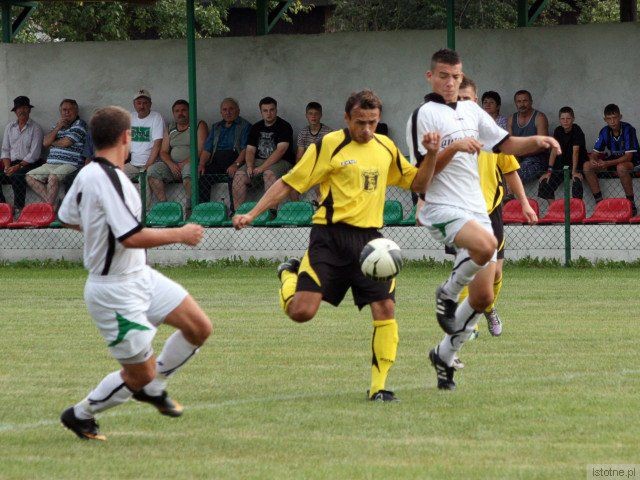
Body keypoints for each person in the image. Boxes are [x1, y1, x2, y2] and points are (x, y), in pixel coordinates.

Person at [233, 90, 440, 402]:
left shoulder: (386, 147)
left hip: (370, 242)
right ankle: (289, 274)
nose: (367, 129)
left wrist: (432, 154)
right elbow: (289, 182)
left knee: (385, 308)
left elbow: (419, 183)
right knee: (301, 312)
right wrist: (252, 213)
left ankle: (379, 387)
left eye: (372, 122)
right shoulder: (329, 145)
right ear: (346, 118)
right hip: (329, 238)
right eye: (360, 122)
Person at [407, 49, 560, 390]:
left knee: (483, 297)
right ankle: (447, 293)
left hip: (481, 209)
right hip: (446, 208)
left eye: (457, 78)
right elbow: (421, 180)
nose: (452, 84)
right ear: (431, 77)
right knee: (486, 245)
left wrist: (537, 140)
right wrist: (447, 150)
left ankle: (444, 354)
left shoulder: (475, 116)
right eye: (444, 77)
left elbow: (506, 145)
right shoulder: (425, 117)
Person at [57, 106, 211, 441]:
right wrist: (181, 234)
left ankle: (154, 387)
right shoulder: (106, 178)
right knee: (138, 374)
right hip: (113, 291)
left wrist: (98, 230)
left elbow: (67, 215)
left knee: (199, 327)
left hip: (140, 275)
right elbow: (131, 237)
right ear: (126, 137)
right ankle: (80, 414)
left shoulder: (89, 173)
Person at [455, 76, 537, 342]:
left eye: (467, 99)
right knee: (468, 270)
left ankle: (488, 309)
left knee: (496, 273)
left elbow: (510, 170)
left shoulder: (491, 133)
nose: (463, 103)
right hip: (460, 214)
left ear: (475, 100)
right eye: (458, 99)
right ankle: (469, 324)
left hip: (490, 212)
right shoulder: (446, 134)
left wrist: (524, 203)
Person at [147, 99, 208, 217]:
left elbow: (201, 150)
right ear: (173, 113)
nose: (180, 113)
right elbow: (163, 151)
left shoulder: (199, 125)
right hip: (172, 166)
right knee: (152, 171)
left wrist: (184, 163)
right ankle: (164, 207)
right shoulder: (170, 127)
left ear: (190, 111)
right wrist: (171, 164)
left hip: (190, 163)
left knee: (189, 170)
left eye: (184, 110)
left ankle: (191, 208)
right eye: (177, 111)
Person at [231, 97, 293, 210]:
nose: (269, 113)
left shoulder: (284, 126)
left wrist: (262, 168)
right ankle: (237, 212)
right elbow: (250, 150)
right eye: (265, 110)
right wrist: (250, 166)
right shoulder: (256, 127)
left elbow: (281, 150)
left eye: (271, 110)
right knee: (239, 175)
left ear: (276, 110)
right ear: (261, 112)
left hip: (280, 161)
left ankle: (271, 212)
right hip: (258, 161)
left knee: (268, 173)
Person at [26, 98, 86, 207]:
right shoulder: (57, 126)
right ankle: (52, 205)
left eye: (70, 110)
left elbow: (66, 142)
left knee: (53, 177)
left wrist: (53, 143)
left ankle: (49, 208)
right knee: (29, 177)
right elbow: (45, 143)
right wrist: (58, 127)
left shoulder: (80, 124)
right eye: (64, 110)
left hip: (70, 163)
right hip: (51, 163)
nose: (66, 112)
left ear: (76, 111)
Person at [583, 103, 639, 216]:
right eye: (609, 119)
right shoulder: (604, 131)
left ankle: (631, 204)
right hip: (613, 161)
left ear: (620, 117)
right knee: (587, 166)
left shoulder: (628, 129)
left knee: (621, 168)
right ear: (605, 119)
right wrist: (593, 159)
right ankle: (599, 203)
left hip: (632, 162)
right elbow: (594, 153)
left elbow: (628, 157)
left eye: (615, 118)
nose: (612, 121)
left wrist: (607, 163)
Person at [197, 98, 251, 210]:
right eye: (224, 110)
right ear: (221, 112)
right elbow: (207, 149)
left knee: (234, 176)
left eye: (231, 109)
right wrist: (201, 164)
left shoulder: (245, 126)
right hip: (217, 161)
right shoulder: (216, 127)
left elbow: (245, 149)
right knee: (203, 176)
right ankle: (203, 210)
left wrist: (236, 164)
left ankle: (234, 211)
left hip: (234, 160)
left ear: (238, 110)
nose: (228, 112)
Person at [0, 96, 43, 215]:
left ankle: (19, 208)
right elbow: (5, 150)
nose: (22, 111)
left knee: (17, 175)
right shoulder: (10, 127)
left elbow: (34, 154)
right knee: (5, 174)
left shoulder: (36, 128)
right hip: (11, 164)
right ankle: (3, 207)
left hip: (30, 164)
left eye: (24, 108)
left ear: (29, 110)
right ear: (15, 111)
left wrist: (17, 167)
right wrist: (7, 167)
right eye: (19, 108)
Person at [538, 106, 587, 202]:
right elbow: (554, 150)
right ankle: (554, 210)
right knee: (545, 184)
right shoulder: (558, 130)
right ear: (559, 120)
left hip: (576, 164)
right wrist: (549, 171)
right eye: (562, 119)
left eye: (568, 118)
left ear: (573, 119)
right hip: (562, 165)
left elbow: (576, 152)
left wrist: (574, 171)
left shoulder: (577, 130)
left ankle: (576, 210)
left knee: (577, 184)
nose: (565, 121)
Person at [507, 90, 550, 184]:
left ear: (531, 102)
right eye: (519, 101)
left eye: (525, 101)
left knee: (518, 173)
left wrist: (521, 153)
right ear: (515, 103)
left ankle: (509, 193)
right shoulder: (511, 119)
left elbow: (542, 146)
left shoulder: (539, 118)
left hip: (537, 158)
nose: (522, 104)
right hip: (518, 156)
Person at [124, 89, 166, 181]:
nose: (142, 106)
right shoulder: (131, 117)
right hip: (133, 165)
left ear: (150, 104)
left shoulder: (156, 117)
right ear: (134, 104)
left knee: (146, 183)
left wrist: (147, 166)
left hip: (152, 164)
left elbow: (158, 144)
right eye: (139, 103)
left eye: (145, 103)